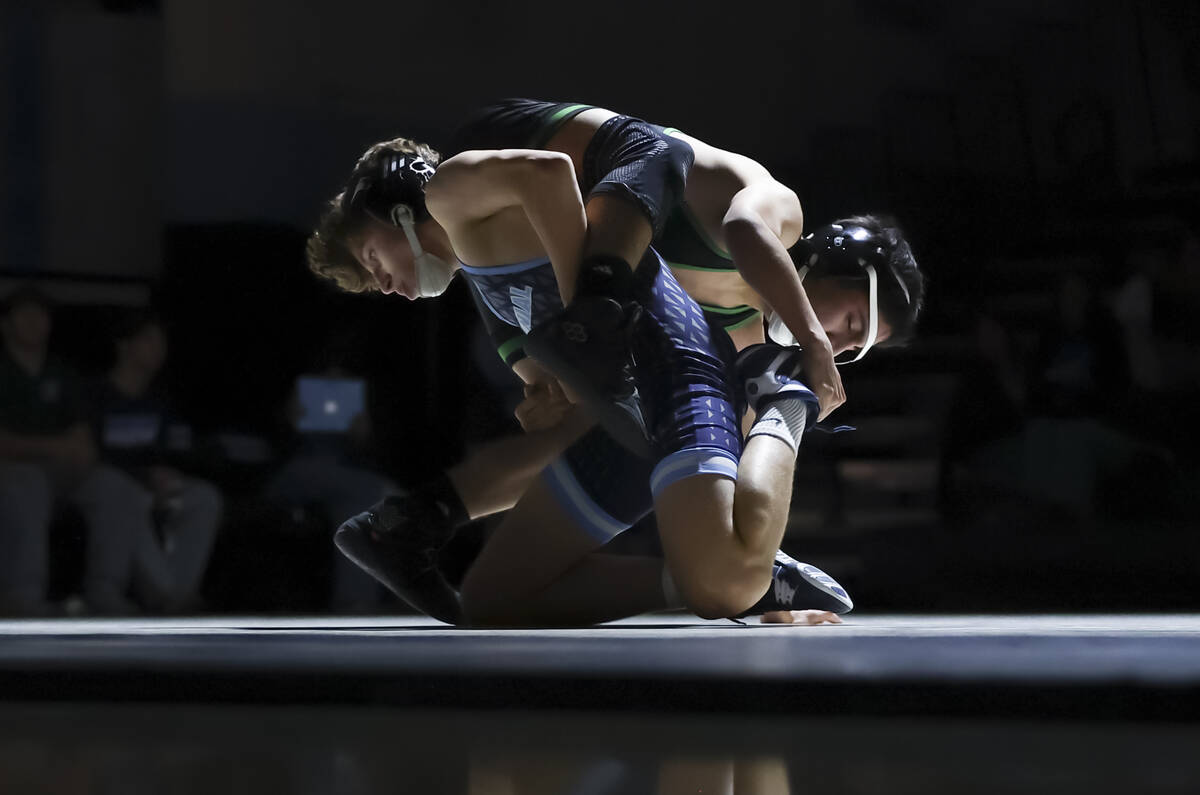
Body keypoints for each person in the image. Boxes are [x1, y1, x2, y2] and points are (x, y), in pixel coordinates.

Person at [306, 101, 923, 626]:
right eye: (851, 326)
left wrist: (796, 371)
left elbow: (556, 179)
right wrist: (543, 380)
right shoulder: (488, 256)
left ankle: (771, 469)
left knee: (725, 574)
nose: (841, 344)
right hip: (636, 366)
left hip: (659, 350)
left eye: (369, 259)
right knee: (492, 601)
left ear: (398, 214)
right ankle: (725, 577)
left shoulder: (460, 191)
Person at [0, 285, 146, 615]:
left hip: (60, 471)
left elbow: (82, 436)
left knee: (116, 488)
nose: (35, 322)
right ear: (5, 324)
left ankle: (105, 591)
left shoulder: (62, 372)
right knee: (27, 484)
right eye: (25, 314)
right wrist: (52, 446)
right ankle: (22, 596)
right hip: (10, 471)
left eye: (41, 314)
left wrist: (78, 456)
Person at [89, 309, 222, 613]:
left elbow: (175, 448)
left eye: (161, 341)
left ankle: (179, 592)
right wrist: (143, 475)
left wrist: (169, 475)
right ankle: (164, 594)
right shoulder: (96, 395)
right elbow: (92, 454)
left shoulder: (159, 401)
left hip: (157, 488)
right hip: (114, 487)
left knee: (202, 498)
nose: (158, 349)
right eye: (148, 340)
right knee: (128, 496)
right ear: (124, 345)